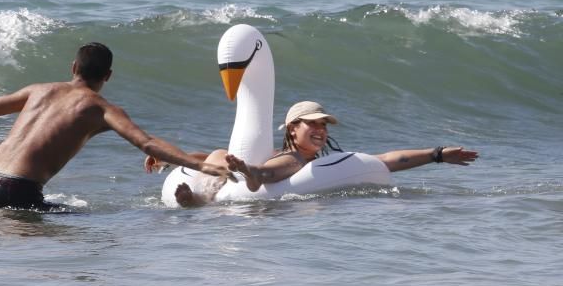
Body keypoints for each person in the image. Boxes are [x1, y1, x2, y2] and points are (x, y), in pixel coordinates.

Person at [0, 42, 232, 211]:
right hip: (17, 192)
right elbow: (147, 143)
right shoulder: (100, 109)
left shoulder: (39, 90)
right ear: (108, 76)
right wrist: (201, 165)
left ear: (73, 67)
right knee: (90, 231)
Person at [149, 100, 479, 207]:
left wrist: (437, 154)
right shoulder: (291, 156)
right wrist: (169, 159)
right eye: (313, 124)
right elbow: (209, 157)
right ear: (293, 128)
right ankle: (216, 189)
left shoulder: (300, 160)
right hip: (247, 182)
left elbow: (389, 160)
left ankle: (211, 197)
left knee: (238, 161)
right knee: (220, 153)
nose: (321, 129)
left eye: (325, 124)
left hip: (252, 185)